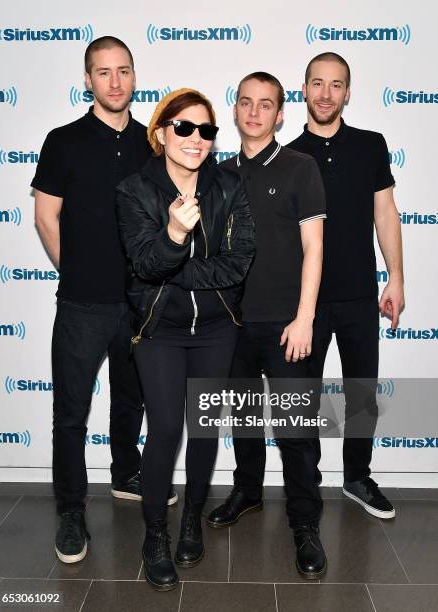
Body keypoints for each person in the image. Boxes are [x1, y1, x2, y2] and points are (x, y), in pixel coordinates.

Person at [32, 36, 176, 565]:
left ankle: (125, 472)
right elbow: (46, 216)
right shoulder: (62, 141)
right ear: (87, 79)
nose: (115, 82)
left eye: (123, 71)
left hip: (141, 302)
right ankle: (71, 510)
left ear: (135, 76)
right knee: (70, 413)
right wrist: (75, 272)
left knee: (132, 397)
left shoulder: (153, 144)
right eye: (103, 73)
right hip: (81, 304)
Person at [116, 88, 255, 591]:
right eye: (184, 127)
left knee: (202, 429)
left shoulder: (229, 185)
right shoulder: (134, 190)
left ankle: (191, 519)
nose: (196, 138)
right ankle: (155, 534)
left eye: (206, 130)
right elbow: (146, 266)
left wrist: (178, 270)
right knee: (167, 429)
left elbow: (239, 264)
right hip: (160, 331)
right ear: (160, 134)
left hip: (217, 328)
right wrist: (174, 235)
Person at [207, 73, 327, 579]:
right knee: (245, 420)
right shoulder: (218, 173)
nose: (254, 112)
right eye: (245, 103)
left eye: (266, 105)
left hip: (286, 325)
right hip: (231, 324)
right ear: (234, 111)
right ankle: (248, 492)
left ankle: (305, 523)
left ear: (280, 114)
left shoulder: (301, 167)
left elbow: (313, 247)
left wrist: (304, 319)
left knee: (296, 430)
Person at [287, 52, 405, 519]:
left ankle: (357, 477)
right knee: (305, 398)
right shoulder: (288, 154)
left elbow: (385, 213)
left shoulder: (371, 145)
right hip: (306, 303)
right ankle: (307, 483)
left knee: (361, 394)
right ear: (304, 89)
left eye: (336, 85)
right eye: (317, 83)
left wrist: (395, 276)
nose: (325, 93)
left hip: (359, 295)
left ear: (348, 92)